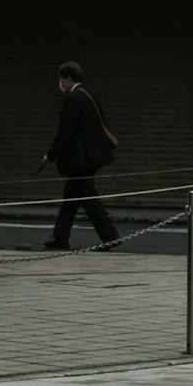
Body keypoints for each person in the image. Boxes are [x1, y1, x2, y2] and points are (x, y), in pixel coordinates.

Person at [42, 61, 121, 250]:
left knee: (90, 200)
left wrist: (51, 154)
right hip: (89, 158)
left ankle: (110, 237)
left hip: (80, 160)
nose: (60, 83)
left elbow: (66, 131)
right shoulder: (89, 95)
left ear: (68, 79)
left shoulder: (73, 98)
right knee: (70, 200)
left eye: (61, 79)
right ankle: (60, 238)